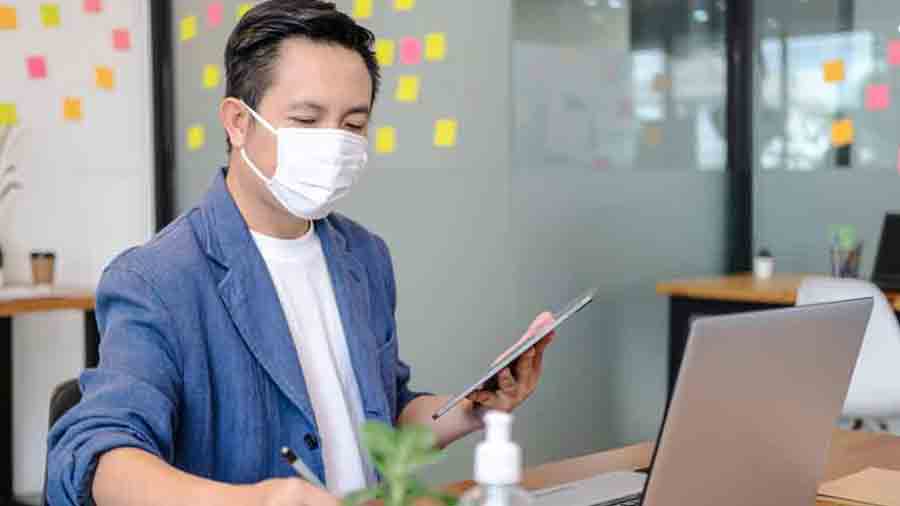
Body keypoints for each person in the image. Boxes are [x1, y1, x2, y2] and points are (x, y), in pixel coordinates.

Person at [47, 1, 554, 505]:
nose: (333, 142)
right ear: (238, 123)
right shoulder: (157, 278)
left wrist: (471, 409)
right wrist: (259, 502)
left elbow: (379, 418)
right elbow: (97, 455)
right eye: (307, 119)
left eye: (353, 125)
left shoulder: (364, 256)